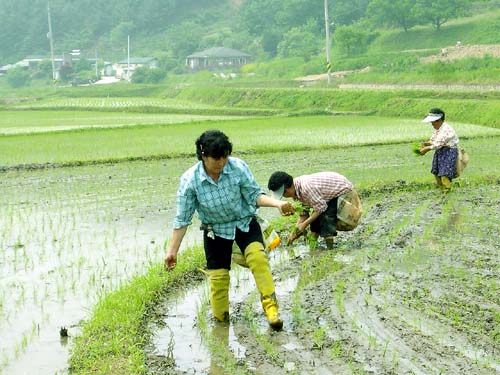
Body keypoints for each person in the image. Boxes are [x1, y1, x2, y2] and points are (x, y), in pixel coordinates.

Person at [164, 130, 295, 330]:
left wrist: (277, 204)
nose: (221, 162)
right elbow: (183, 219)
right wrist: (172, 251)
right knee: (218, 278)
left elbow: (254, 195)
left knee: (258, 259)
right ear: (203, 156)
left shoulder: (237, 167)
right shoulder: (190, 180)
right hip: (214, 230)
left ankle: (272, 310)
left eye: (225, 156)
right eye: (216, 158)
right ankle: (221, 321)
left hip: (243, 222)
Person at [267, 171, 354, 249]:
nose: (285, 197)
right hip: (327, 196)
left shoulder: (306, 188)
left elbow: (321, 208)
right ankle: (312, 245)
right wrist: (295, 231)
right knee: (314, 220)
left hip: (343, 191)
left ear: (286, 191)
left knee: (325, 217)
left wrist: (304, 225)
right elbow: (304, 213)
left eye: (283, 195)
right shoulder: (296, 188)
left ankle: (330, 249)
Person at [419, 108, 459, 192]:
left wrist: (426, 149)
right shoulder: (438, 129)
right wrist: (426, 143)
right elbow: (434, 141)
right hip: (440, 152)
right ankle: (442, 189)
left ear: (439, 120)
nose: (432, 124)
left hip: (449, 152)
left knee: (445, 173)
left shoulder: (447, 129)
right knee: (436, 172)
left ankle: (447, 191)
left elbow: (438, 143)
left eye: (433, 122)